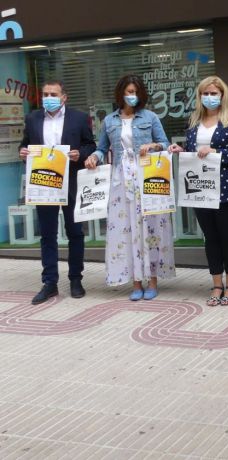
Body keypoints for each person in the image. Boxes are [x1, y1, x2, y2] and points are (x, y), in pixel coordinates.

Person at [85, 74, 175, 299]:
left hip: (147, 175)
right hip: (121, 178)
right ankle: (136, 282)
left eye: (135, 92)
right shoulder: (109, 121)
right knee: (126, 227)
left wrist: (153, 145)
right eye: (128, 92)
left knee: (150, 226)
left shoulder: (150, 117)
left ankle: (152, 280)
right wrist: (94, 157)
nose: (131, 96)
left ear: (141, 94)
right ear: (120, 94)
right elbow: (102, 147)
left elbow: (164, 142)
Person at [169, 76, 228, 306]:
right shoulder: (193, 120)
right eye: (206, 93)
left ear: (223, 95)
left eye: (214, 93)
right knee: (211, 237)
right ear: (200, 96)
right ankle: (216, 283)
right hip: (200, 187)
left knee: (227, 235)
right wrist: (181, 150)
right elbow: (195, 151)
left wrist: (216, 151)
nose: (210, 97)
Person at [19, 81, 96, 304]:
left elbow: (90, 145)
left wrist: (79, 154)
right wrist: (22, 151)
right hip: (44, 183)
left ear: (64, 97)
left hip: (71, 181)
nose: (48, 97)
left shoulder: (79, 118)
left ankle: (75, 279)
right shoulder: (33, 118)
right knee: (47, 235)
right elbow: (25, 144)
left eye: (53, 94)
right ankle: (49, 282)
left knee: (75, 233)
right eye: (45, 94)